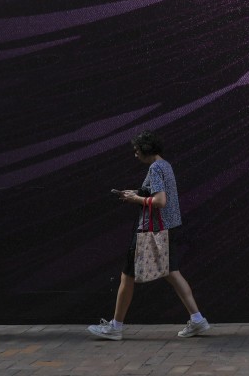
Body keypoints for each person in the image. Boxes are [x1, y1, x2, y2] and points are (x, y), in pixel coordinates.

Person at [87, 131, 209, 341]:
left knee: (127, 275)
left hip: (150, 229)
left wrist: (136, 200)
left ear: (145, 149)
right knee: (172, 272)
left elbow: (160, 201)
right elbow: (155, 193)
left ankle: (116, 327)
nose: (135, 155)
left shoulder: (154, 168)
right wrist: (134, 193)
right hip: (168, 227)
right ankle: (197, 319)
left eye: (136, 150)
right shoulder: (165, 165)